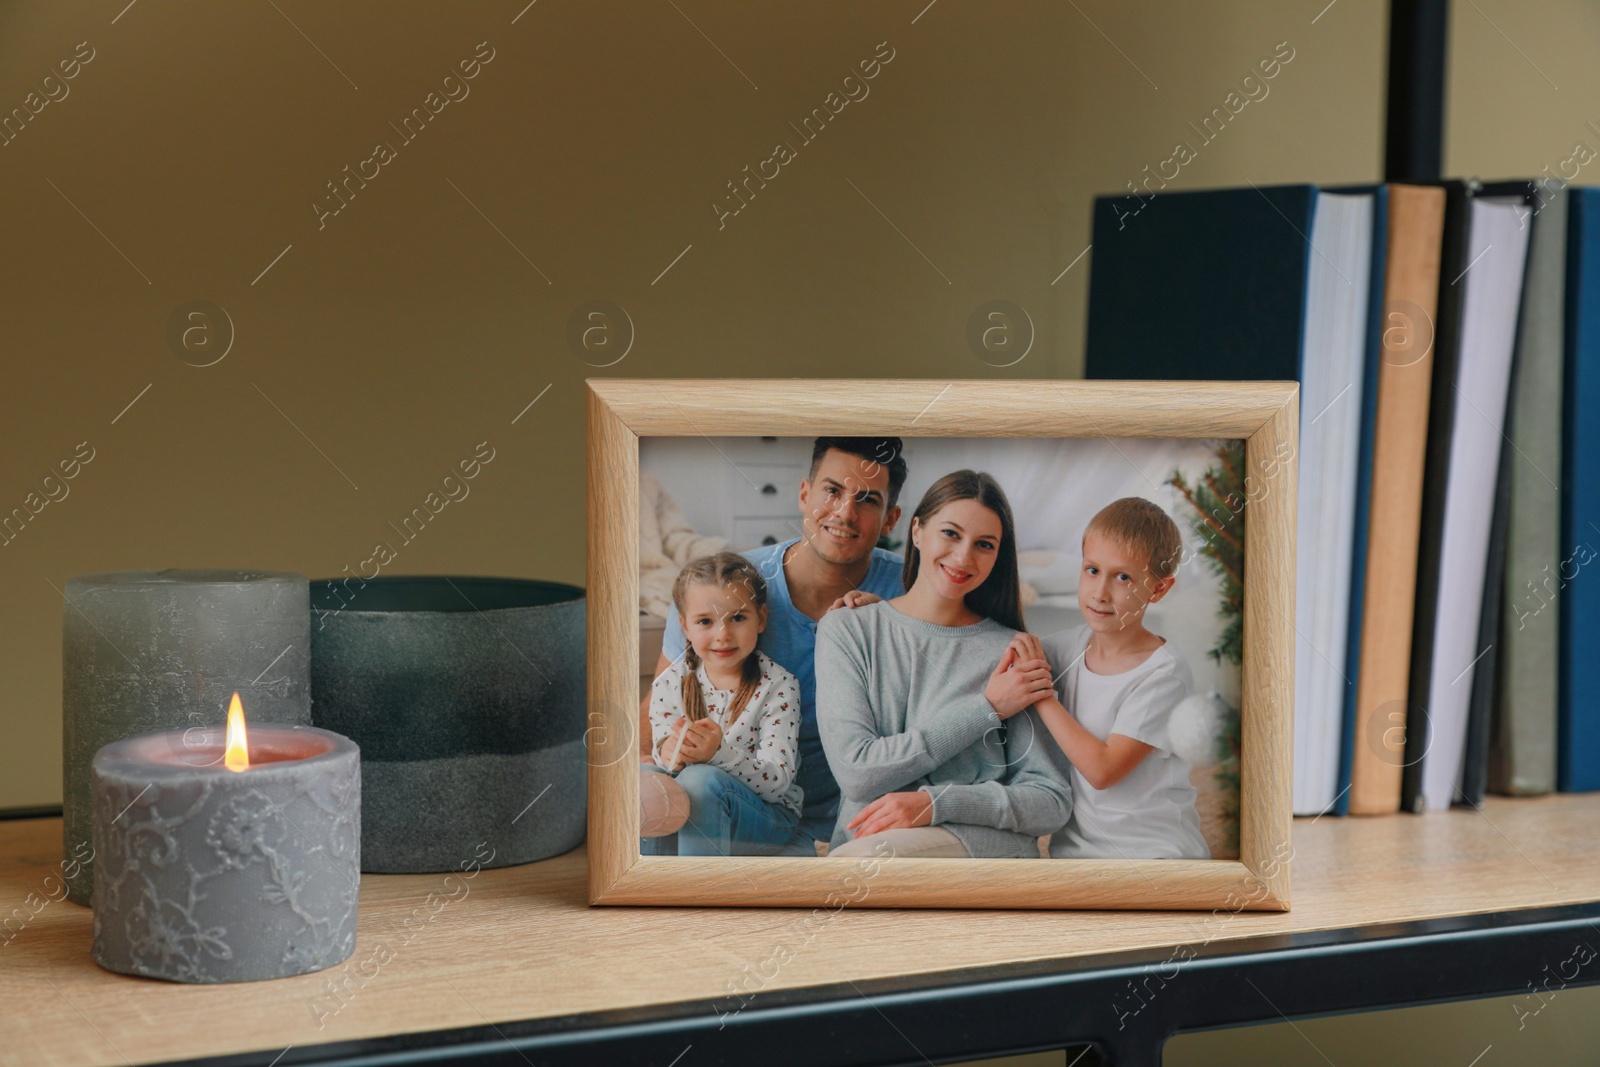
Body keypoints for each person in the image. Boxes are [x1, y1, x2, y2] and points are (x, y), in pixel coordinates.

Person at [640, 438, 910, 856]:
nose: (844, 512)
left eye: (868, 500)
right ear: (805, 494)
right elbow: (651, 727)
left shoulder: (911, 591)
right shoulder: (727, 591)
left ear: (890, 519)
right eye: (832, 491)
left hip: (834, 815)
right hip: (724, 804)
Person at [815, 470, 1071, 859]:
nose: (964, 556)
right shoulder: (848, 629)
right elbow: (858, 774)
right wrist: (987, 709)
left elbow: (1049, 801)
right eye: (950, 533)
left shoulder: (1011, 652)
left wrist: (936, 804)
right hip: (868, 846)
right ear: (917, 531)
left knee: (866, 863)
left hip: (974, 848)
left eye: (984, 544)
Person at [1006, 496, 1209, 860]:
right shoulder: (1067, 649)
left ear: (1159, 589)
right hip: (1075, 855)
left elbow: (1102, 770)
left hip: (1154, 855)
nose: (1100, 593)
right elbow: (995, 651)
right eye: (1092, 570)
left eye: (1123, 577)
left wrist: (1043, 696)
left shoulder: (1164, 673)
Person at [639, 553, 805, 855]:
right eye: (705, 621)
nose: (723, 635)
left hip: (769, 817)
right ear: (684, 627)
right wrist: (669, 753)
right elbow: (662, 758)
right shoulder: (670, 683)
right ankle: (648, 883)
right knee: (644, 781)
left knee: (700, 780)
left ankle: (699, 891)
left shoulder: (778, 686)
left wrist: (717, 753)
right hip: (688, 806)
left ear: (761, 619)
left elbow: (777, 782)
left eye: (738, 618)